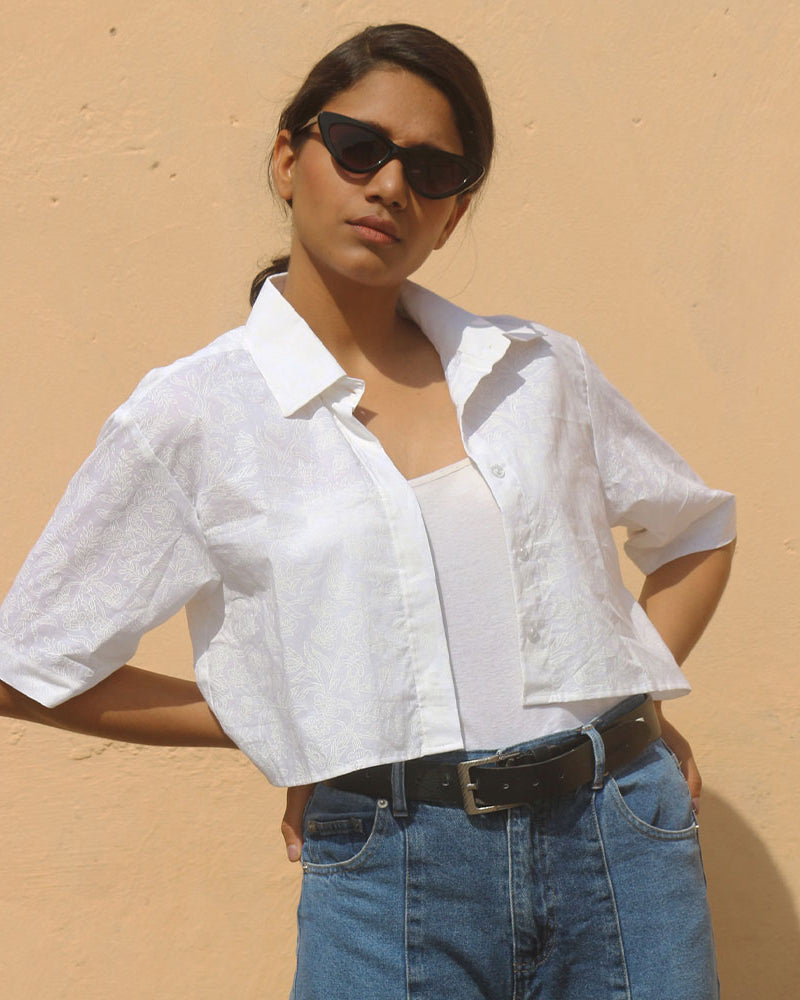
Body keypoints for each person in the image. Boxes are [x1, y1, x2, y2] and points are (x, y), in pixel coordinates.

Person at [0, 22, 735, 1000]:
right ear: (287, 158)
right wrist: (297, 722)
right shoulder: (194, 415)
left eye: (432, 171)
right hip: (388, 866)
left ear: (452, 214)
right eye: (358, 148)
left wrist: (627, 684)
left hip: (620, 842)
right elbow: (27, 667)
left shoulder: (535, 373)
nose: (390, 185)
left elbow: (695, 531)